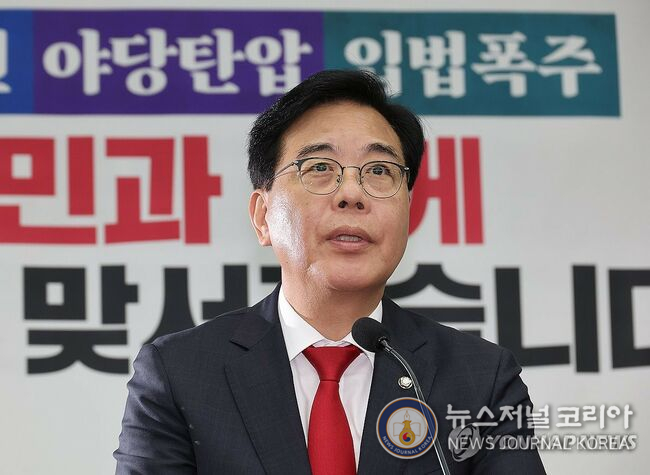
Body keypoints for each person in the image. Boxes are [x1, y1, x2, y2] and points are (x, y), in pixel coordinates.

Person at [114, 69, 546, 474]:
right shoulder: (180, 374)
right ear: (263, 217)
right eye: (320, 167)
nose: (352, 193)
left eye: (379, 171)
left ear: (408, 212)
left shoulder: (480, 378)